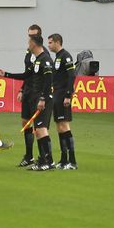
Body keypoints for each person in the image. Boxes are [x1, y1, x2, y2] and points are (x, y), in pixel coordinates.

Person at [0, 23, 43, 166]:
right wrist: (22, 89)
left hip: (37, 93)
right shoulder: (28, 52)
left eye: (33, 36)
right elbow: (27, 74)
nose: (30, 38)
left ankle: (43, 157)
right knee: (26, 122)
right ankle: (29, 156)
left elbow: (42, 77)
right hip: (28, 91)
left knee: (39, 127)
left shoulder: (43, 55)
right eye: (29, 35)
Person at [25, 34, 57, 171]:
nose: (28, 44)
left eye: (29, 42)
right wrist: (6, 75)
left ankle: (48, 161)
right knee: (38, 130)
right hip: (37, 98)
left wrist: (43, 98)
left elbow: (49, 80)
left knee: (41, 129)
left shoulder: (46, 60)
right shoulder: (37, 60)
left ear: (34, 43)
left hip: (43, 100)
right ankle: (44, 160)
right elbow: (26, 76)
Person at [48, 33, 78, 170]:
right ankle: (63, 159)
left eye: (50, 42)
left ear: (57, 42)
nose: (48, 45)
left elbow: (71, 75)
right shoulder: (58, 57)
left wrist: (68, 95)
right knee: (59, 127)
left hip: (63, 95)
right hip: (57, 94)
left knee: (65, 126)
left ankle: (72, 161)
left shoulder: (66, 56)